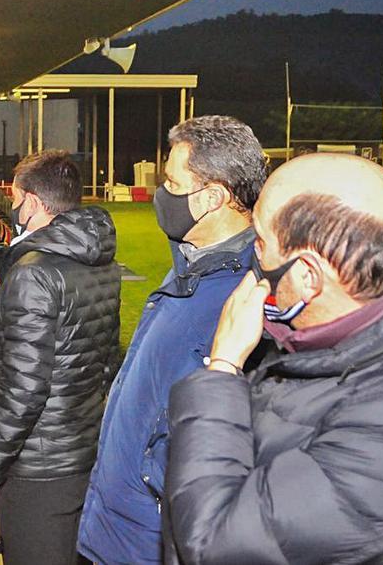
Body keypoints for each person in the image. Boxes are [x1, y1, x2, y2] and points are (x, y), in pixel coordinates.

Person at [164, 153, 383, 564]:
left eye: (261, 242)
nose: (253, 254)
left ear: (308, 275)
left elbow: (214, 545)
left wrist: (223, 367)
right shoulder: (367, 326)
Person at [78, 116, 267, 564]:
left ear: (213, 197)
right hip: (112, 528)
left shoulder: (243, 298)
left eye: (171, 181)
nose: (162, 195)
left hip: (147, 542)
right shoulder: (192, 264)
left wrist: (151, 499)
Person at [0, 150, 121, 565]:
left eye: (15, 197)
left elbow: (22, 389)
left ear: (31, 202)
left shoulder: (33, 274)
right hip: (82, 454)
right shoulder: (101, 262)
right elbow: (108, 365)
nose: (12, 206)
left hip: (37, 467)